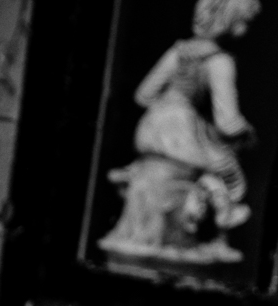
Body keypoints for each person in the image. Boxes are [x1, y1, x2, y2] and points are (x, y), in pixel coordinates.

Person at [99, 0, 263, 268]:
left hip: (152, 130)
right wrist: (247, 133)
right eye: (243, 21)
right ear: (228, 20)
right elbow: (227, 122)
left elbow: (143, 95)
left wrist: (170, 108)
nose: (244, 28)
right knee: (226, 167)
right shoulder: (219, 62)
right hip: (181, 135)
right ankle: (226, 214)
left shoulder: (177, 52)